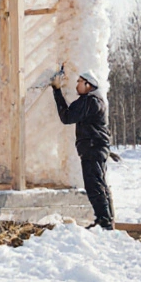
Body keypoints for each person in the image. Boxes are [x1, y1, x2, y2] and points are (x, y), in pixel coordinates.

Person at [51, 69, 113, 230]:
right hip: (96, 148)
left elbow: (67, 117)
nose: (76, 85)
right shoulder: (95, 100)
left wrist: (57, 90)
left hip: (93, 148)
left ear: (88, 85)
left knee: (94, 185)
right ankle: (106, 219)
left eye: (79, 82)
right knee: (100, 184)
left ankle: (105, 221)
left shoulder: (89, 101)